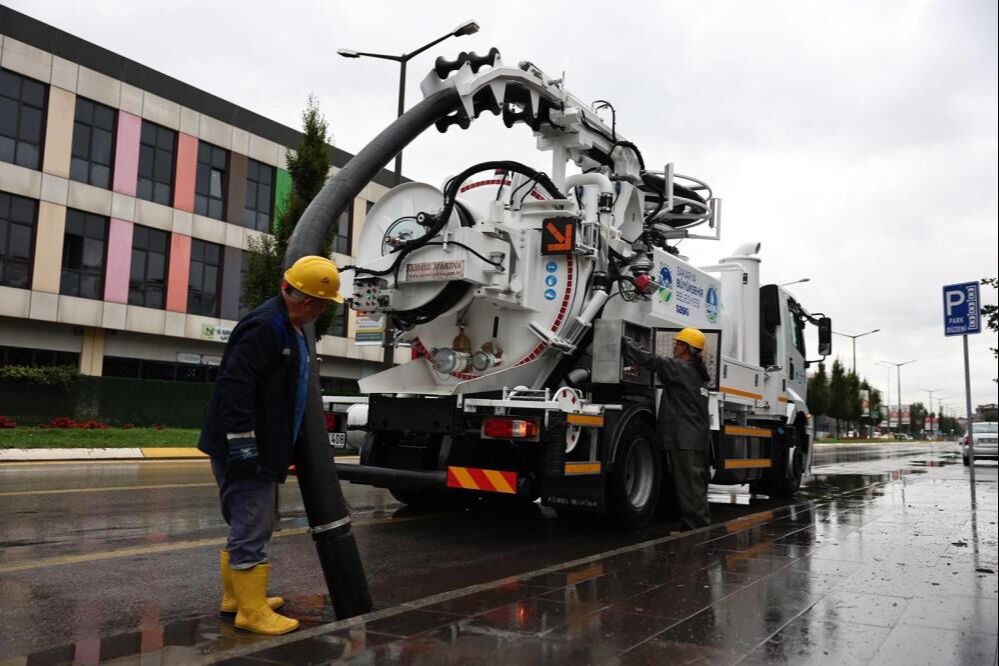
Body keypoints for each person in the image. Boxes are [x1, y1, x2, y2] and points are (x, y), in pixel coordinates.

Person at [198, 255, 344, 635]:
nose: (326, 311)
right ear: (311, 302)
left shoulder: (289, 325)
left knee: (247, 521)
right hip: (247, 447)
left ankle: (238, 599)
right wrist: (242, 443)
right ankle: (251, 611)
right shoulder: (266, 326)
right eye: (325, 304)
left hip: (263, 444)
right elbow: (235, 385)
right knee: (253, 522)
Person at [622, 327, 711, 531]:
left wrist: (628, 343)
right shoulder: (700, 374)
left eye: (678, 344)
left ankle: (695, 530)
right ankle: (698, 526)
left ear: (686, 349)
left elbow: (653, 361)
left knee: (689, 486)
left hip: (685, 438)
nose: (674, 347)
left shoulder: (681, 369)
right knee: (696, 485)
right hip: (696, 437)